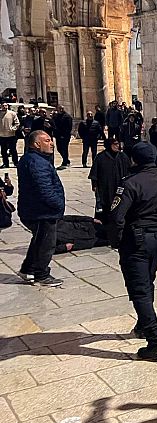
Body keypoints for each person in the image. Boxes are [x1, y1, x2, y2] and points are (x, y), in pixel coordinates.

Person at [108, 142, 157, 362]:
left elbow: (116, 217)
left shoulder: (130, 183)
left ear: (134, 160)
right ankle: (143, 325)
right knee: (147, 281)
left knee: (139, 289)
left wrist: (118, 241)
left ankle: (154, 342)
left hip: (136, 241)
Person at [16, 131, 65, 287]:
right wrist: (58, 204)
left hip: (35, 210)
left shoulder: (32, 159)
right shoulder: (37, 163)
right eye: (47, 140)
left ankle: (27, 269)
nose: (51, 143)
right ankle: (41, 275)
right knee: (46, 244)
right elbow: (44, 190)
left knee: (38, 241)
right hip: (42, 212)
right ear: (37, 144)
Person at [89, 138, 131, 223]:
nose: (117, 146)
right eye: (114, 144)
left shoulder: (123, 156)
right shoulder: (100, 157)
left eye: (118, 144)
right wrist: (94, 185)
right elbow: (94, 173)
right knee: (105, 207)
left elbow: (129, 171)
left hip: (120, 187)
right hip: (105, 188)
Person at [52, 106, 73, 170]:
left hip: (65, 136)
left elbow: (69, 127)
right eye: (59, 109)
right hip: (58, 135)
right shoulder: (57, 116)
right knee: (59, 148)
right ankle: (66, 160)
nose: (60, 110)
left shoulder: (67, 117)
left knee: (64, 148)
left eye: (61, 109)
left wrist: (64, 135)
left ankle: (65, 162)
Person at [0, 103, 20, 169]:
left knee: (13, 150)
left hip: (11, 135)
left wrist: (12, 129)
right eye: (3, 106)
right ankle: (5, 163)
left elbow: (17, 123)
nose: (4, 107)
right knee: (3, 151)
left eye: (5, 105)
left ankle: (16, 163)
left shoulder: (12, 113)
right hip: (2, 136)